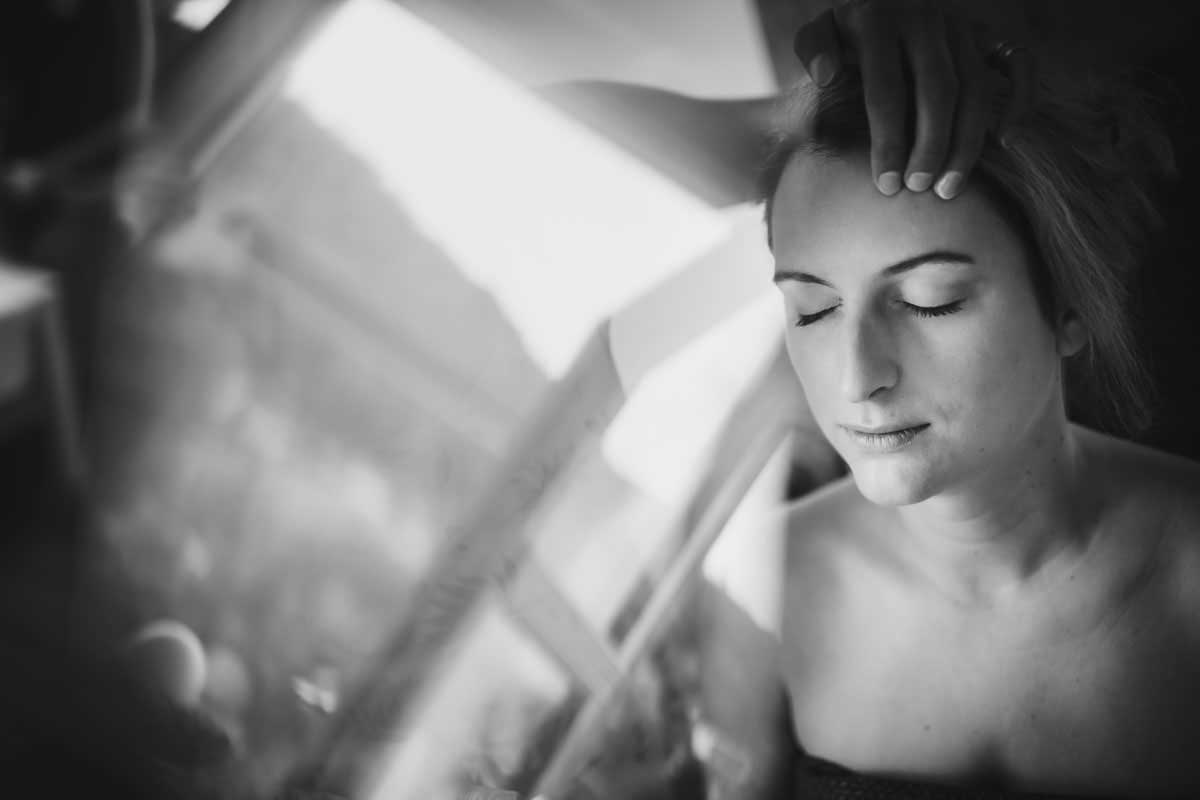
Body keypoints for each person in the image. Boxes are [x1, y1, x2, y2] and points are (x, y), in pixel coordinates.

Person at [687, 4, 1200, 799]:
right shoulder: (758, 587)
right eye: (813, 310)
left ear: (1069, 305)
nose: (858, 377)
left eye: (929, 301)